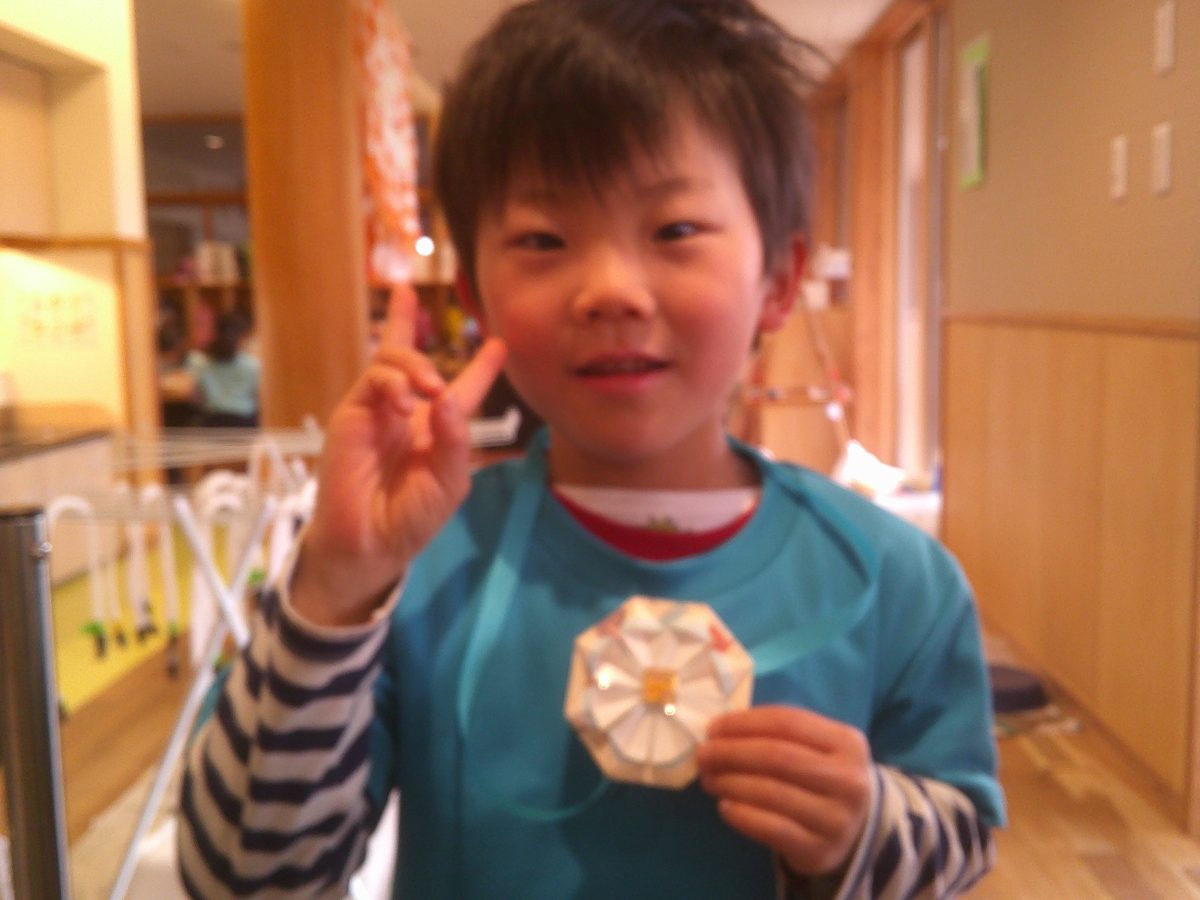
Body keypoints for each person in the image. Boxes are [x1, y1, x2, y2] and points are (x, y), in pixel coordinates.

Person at [177, 1, 1004, 897]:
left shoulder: (893, 578)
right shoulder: (420, 569)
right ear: (477, 298)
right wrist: (335, 585)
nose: (611, 290)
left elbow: (962, 836)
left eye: (675, 230)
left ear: (779, 280)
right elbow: (243, 879)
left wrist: (862, 826)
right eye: (543, 240)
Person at [195, 311, 261, 428]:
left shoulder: (202, 364)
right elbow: (259, 398)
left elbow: (196, 398)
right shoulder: (253, 365)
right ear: (243, 337)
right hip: (245, 423)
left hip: (213, 422)